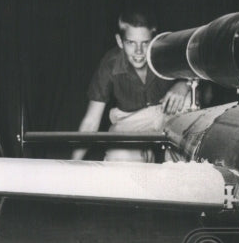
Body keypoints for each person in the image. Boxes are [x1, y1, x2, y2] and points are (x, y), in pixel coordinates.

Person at [72, 11, 193, 161]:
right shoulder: (110, 64)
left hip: (167, 114)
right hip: (130, 122)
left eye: (145, 43)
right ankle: (144, 154)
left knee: (189, 105)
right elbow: (91, 121)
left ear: (154, 40)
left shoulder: (167, 51)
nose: (139, 52)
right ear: (120, 41)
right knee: (120, 159)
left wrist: (184, 84)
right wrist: (72, 163)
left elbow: (202, 70)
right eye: (131, 43)